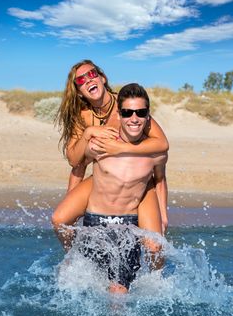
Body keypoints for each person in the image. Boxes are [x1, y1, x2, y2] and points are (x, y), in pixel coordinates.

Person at [52, 60, 169, 251]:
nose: (88, 80)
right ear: (78, 91)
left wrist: (121, 149)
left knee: (155, 247)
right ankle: (73, 256)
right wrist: (88, 132)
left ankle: (156, 278)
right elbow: (75, 161)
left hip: (139, 180)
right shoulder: (81, 117)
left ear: (102, 78)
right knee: (59, 220)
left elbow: (162, 143)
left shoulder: (126, 107)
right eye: (81, 80)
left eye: (91, 74)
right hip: (104, 176)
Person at [80, 83, 167, 293]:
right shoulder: (100, 144)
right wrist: (87, 133)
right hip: (95, 223)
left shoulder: (156, 153)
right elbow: (76, 164)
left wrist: (163, 215)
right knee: (87, 286)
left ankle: (156, 286)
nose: (134, 118)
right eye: (127, 113)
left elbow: (160, 180)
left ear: (148, 116)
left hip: (128, 226)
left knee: (118, 293)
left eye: (141, 112)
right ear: (119, 115)